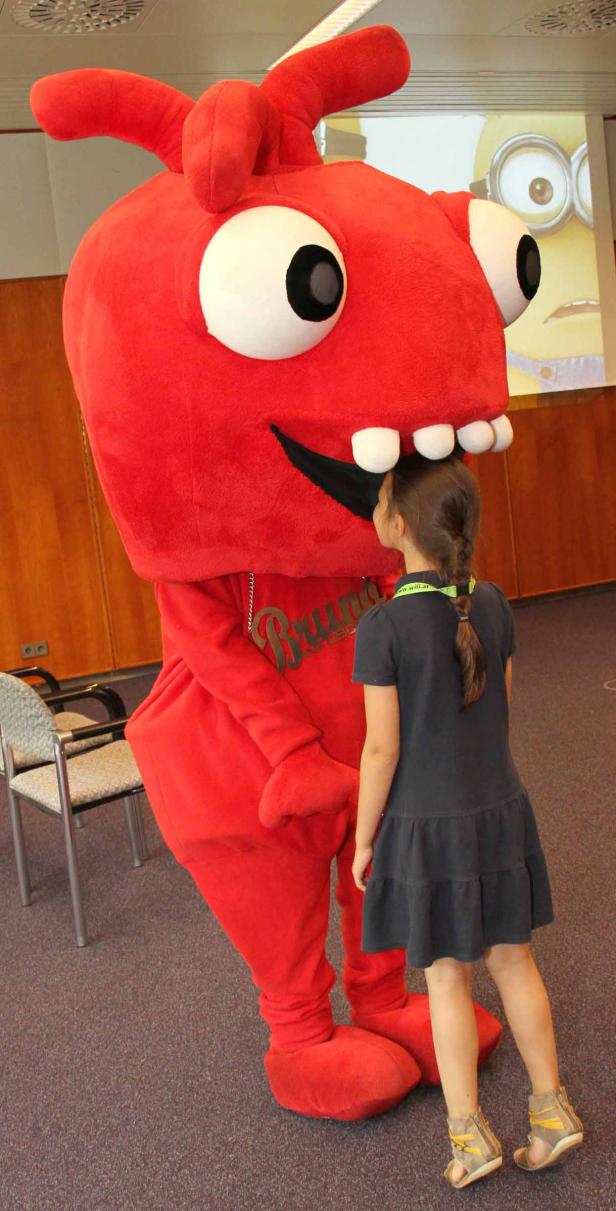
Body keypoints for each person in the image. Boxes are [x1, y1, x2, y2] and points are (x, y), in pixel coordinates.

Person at [351, 453, 583, 1190]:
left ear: (397, 524)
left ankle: (469, 1138)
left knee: (446, 977)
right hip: (498, 810)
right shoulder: (495, 602)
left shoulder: (383, 627)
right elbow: (499, 707)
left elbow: (381, 747)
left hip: (428, 827)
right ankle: (552, 1111)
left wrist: (363, 838)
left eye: (383, 496)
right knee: (515, 960)